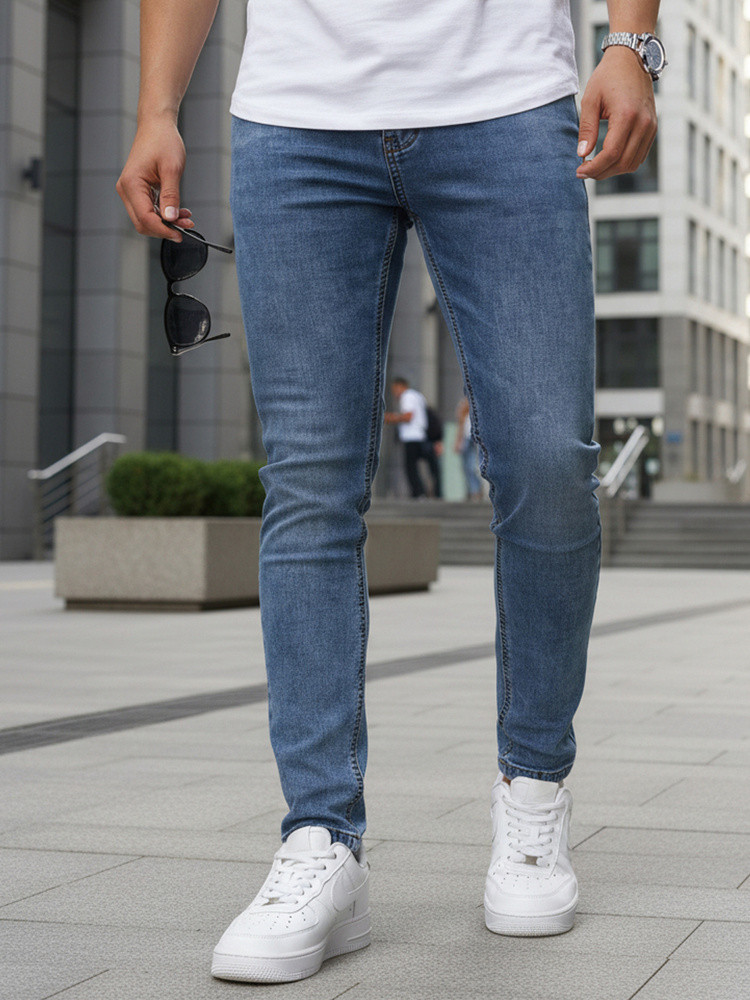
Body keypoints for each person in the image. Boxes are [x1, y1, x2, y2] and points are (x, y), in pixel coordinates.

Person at [117, 0, 661, 984]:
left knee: (547, 462)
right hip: (296, 116)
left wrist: (631, 43)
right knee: (307, 482)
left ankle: (533, 791)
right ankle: (319, 836)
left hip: (506, 99)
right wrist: (159, 107)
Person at [384, 376, 441, 499]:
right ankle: (433, 492)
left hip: (411, 436)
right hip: (421, 435)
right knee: (428, 465)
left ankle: (418, 492)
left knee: (410, 467)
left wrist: (389, 418)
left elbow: (408, 416)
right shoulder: (418, 396)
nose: (395, 394)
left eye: (395, 389)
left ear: (401, 386)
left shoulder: (407, 396)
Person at [455, 395, 482, 502]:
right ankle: (473, 490)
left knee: (471, 466)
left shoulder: (474, 408)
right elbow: (460, 426)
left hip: (472, 439)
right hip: (467, 439)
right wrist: (458, 441)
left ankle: (475, 490)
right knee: (467, 466)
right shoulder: (466, 416)